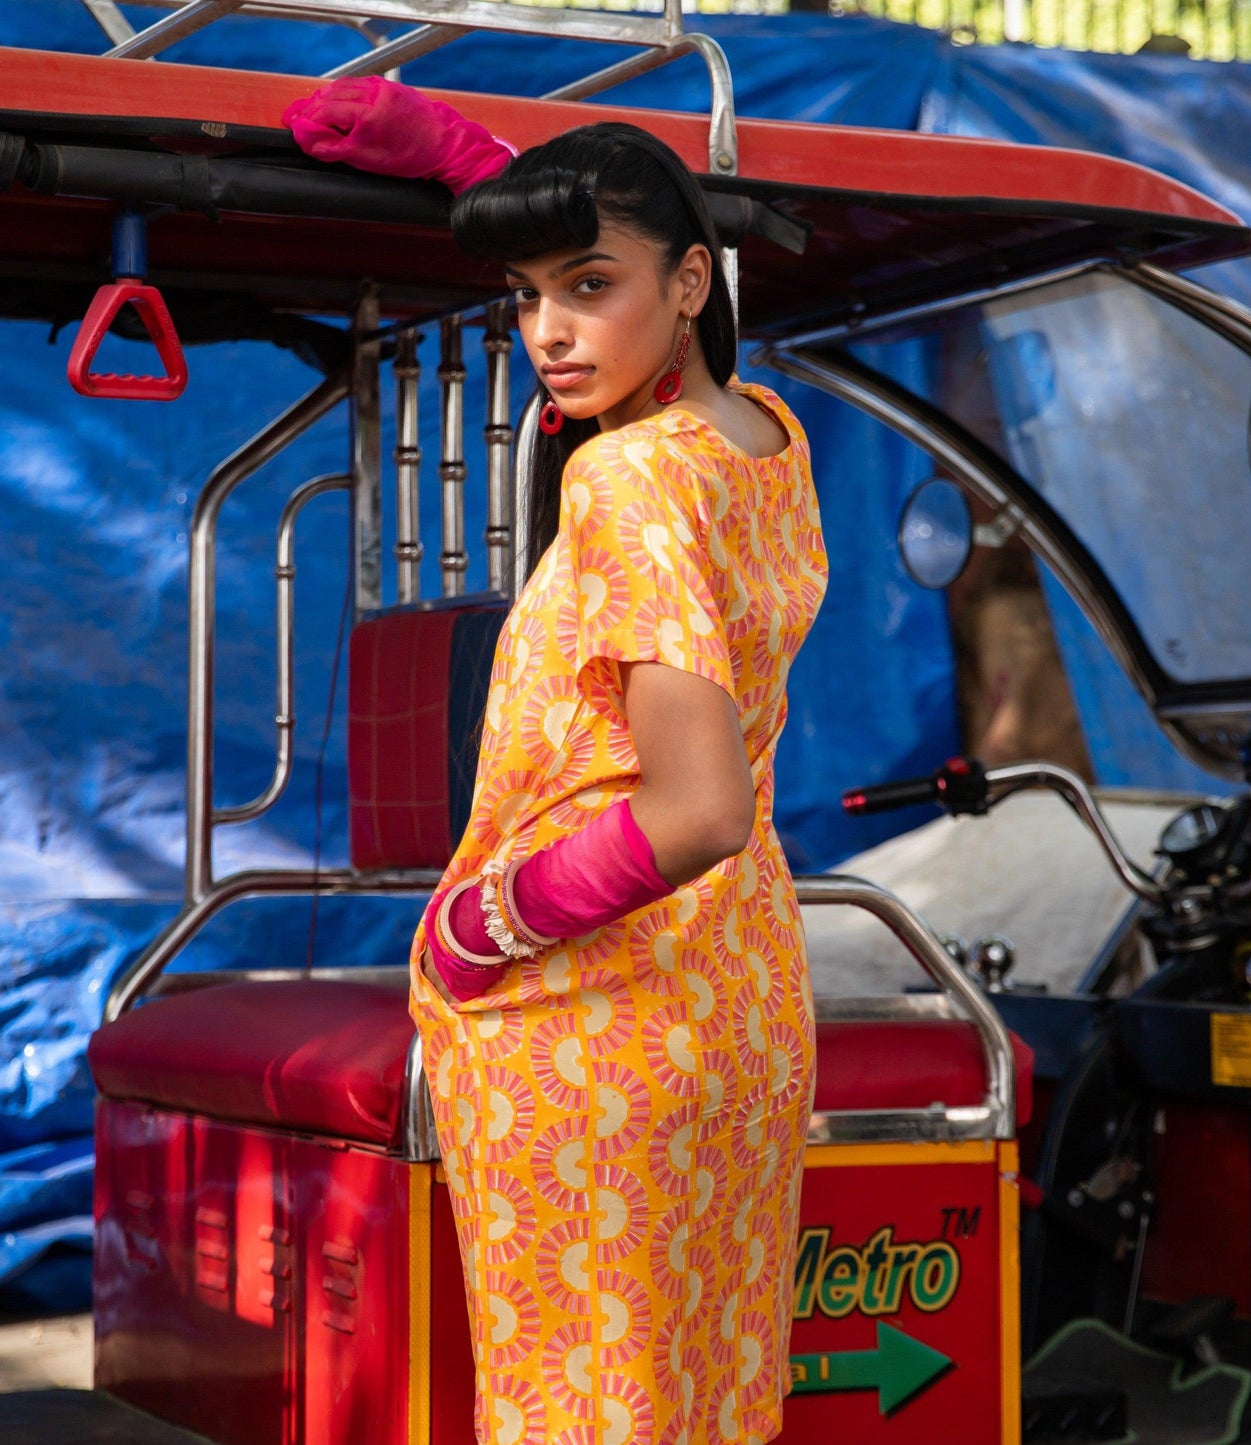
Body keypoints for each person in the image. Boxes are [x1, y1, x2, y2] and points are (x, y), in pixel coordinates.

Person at [407, 120, 828, 1445]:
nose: (548, 329)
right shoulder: (767, 434)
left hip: (594, 1013)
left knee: (582, 1415)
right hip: (740, 999)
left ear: (692, 283)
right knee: (705, 1403)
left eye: (589, 285)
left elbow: (695, 807)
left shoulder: (628, 478)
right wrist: (509, 178)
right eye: (526, 296)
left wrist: (480, 930)